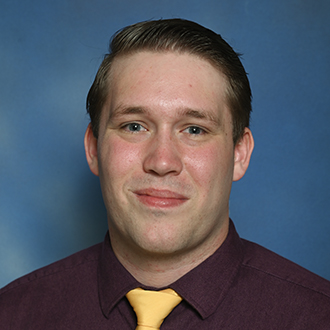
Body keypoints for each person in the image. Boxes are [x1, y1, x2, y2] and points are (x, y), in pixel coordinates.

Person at [1, 18, 329, 329]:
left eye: (195, 130)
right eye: (134, 126)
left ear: (240, 154)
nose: (161, 161)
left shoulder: (317, 317)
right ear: (93, 147)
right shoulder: (13, 315)